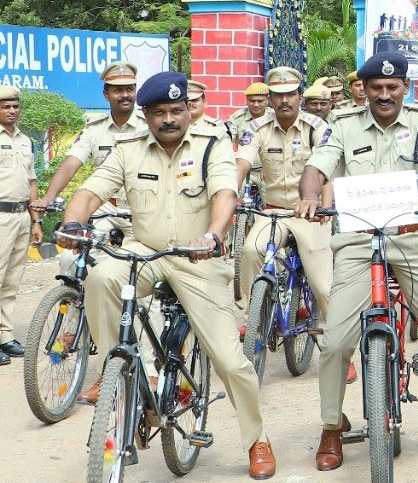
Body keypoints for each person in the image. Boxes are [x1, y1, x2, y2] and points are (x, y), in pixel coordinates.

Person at [60, 72, 276, 478]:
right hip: (145, 249)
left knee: (230, 361)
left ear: (188, 112)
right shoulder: (128, 150)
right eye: (159, 112)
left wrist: (213, 236)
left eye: (177, 110)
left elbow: (225, 195)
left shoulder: (214, 147)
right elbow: (89, 191)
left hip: (198, 255)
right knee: (101, 276)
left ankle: (257, 439)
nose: (169, 119)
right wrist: (73, 223)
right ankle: (119, 374)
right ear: (146, 115)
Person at [297, 52, 418, 469]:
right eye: (375, 88)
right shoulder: (342, 125)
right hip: (359, 241)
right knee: (336, 342)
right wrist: (309, 196)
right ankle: (331, 426)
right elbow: (316, 166)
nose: (384, 95)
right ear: (363, 91)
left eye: (392, 87)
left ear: (404, 87)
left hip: (411, 239)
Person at [233, 67, 352, 382]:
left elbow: (327, 168)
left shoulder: (318, 128)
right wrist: (231, 191)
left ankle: (341, 350)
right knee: (249, 250)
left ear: (300, 96)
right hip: (272, 212)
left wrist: (325, 206)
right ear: (270, 99)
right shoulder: (256, 128)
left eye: (290, 94)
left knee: (324, 285)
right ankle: (251, 315)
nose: (284, 100)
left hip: (310, 214)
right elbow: (242, 161)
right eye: (278, 95)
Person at [35, 62, 146, 275]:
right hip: (103, 207)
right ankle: (74, 304)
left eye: (129, 89)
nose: (125, 95)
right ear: (106, 94)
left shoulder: (149, 126)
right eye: (118, 90)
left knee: (140, 266)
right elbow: (71, 163)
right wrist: (49, 196)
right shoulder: (93, 130)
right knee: (70, 256)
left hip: (141, 208)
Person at [0, 86, 40, 365]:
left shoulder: (25, 140)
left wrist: (36, 220)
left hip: (21, 216)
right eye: (5, 106)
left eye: (15, 106)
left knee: (12, 281)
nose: (12, 111)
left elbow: (32, 182)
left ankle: (4, 336)